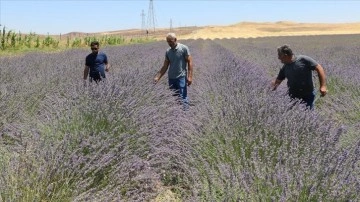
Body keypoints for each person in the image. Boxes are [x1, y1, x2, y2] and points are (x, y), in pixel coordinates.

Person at [271, 44, 327, 109]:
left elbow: (319, 68)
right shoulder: (285, 67)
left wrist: (323, 86)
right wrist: (270, 90)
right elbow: (278, 81)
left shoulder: (303, 59)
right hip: (293, 97)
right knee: (295, 115)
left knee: (308, 115)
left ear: (285, 55)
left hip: (308, 94)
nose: (278, 58)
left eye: (279, 55)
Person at [154, 33, 193, 108]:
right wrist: (158, 77)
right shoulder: (168, 51)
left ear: (175, 40)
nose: (169, 43)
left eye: (170, 41)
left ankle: (185, 114)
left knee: (183, 97)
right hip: (171, 78)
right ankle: (177, 116)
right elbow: (165, 66)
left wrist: (190, 77)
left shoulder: (184, 48)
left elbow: (190, 62)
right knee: (174, 99)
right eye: (168, 41)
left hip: (181, 77)